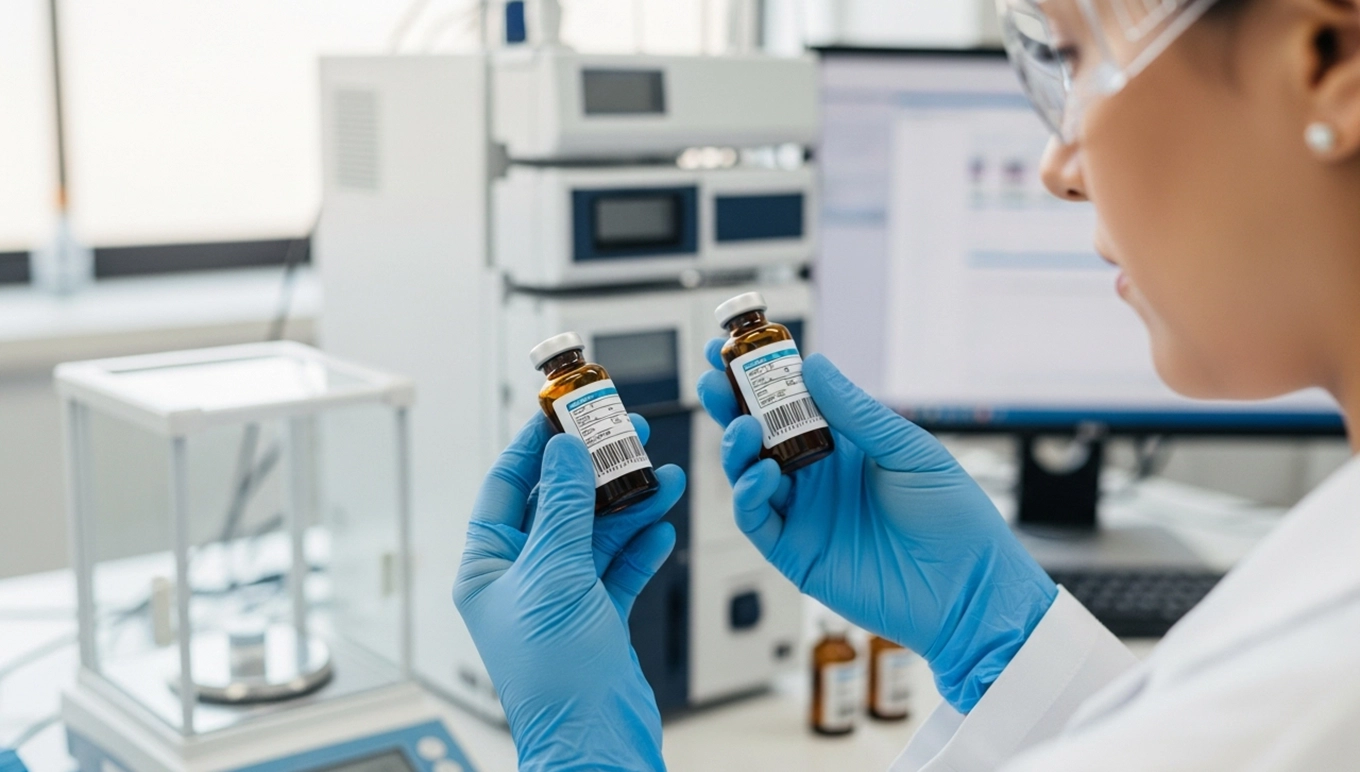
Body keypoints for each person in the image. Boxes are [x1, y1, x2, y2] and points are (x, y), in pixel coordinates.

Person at [451, 0, 1360, 766]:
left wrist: (586, 752)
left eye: (1078, 58)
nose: (1057, 167)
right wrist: (1000, 637)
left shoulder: (1317, 680)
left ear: (1329, 60)